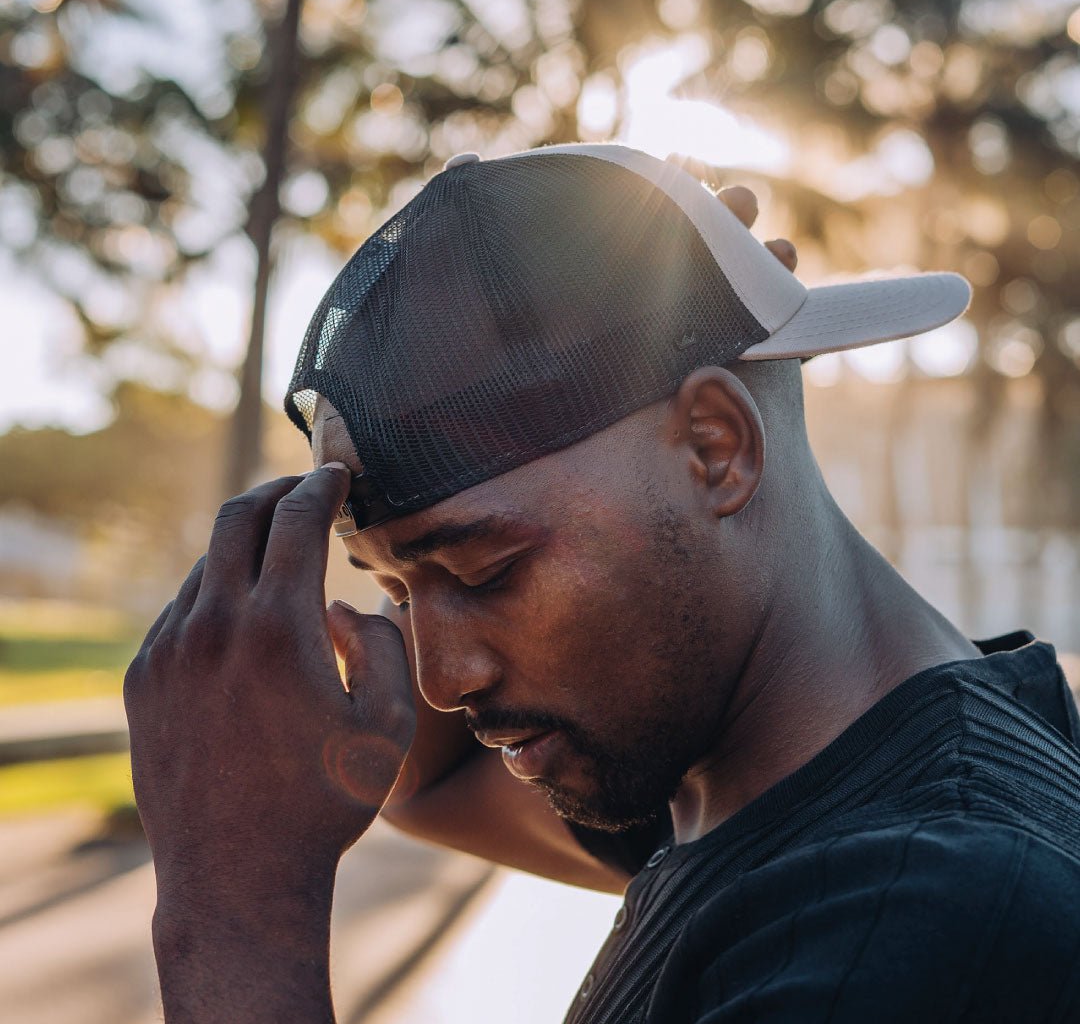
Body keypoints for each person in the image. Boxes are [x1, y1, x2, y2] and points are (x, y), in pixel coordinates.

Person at [124, 144, 1080, 1023]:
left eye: (488, 571)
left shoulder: (929, 924)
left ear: (715, 447)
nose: (439, 680)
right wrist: (421, 545)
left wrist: (229, 909)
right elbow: (426, 782)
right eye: (401, 594)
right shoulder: (736, 773)